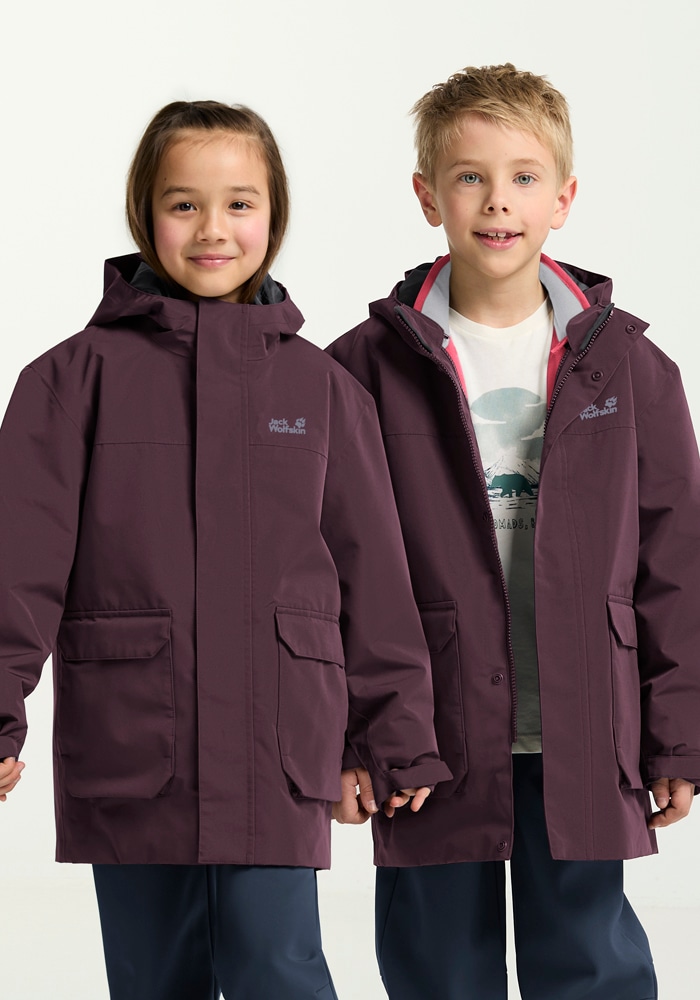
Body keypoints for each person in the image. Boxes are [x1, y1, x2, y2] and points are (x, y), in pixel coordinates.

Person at [0, 100, 450, 1000]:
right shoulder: (70, 380)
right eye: (184, 204)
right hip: (133, 741)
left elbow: (373, 578)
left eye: (240, 203)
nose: (213, 229)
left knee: (279, 970)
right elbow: (18, 568)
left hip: (276, 747)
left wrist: (392, 737)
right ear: (145, 213)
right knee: (151, 977)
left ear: (274, 215)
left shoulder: (323, 388)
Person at [327, 63, 700, 1000]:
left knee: (590, 961)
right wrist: (348, 737)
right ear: (427, 197)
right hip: (427, 732)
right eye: (471, 177)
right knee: (436, 964)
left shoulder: (632, 368)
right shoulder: (358, 371)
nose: (499, 202)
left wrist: (681, 735)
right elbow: (325, 573)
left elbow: (676, 565)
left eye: (525, 177)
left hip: (588, 722)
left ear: (564, 198)